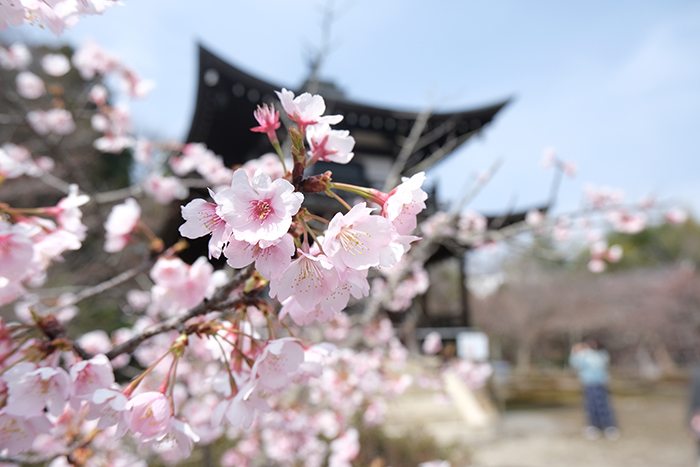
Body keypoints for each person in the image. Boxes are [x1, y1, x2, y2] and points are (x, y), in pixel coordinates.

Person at [569, 339, 619, 440]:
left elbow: (603, 363)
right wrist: (575, 352)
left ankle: (609, 426)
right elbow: (575, 364)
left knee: (603, 405)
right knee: (591, 405)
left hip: (601, 383)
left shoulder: (601, 354)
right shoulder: (583, 355)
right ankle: (593, 426)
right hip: (589, 383)